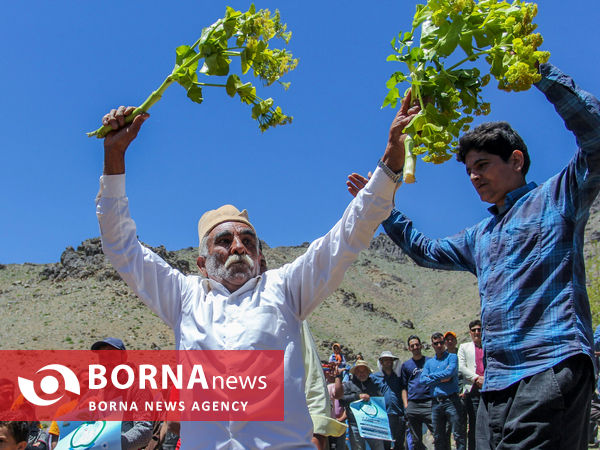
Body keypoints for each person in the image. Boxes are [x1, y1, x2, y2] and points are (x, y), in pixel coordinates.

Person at [95, 89, 417, 447]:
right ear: (202, 264)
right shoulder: (184, 298)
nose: (238, 247)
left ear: (261, 259)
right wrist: (114, 157)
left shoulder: (285, 289)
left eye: (248, 241)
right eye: (225, 241)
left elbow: (346, 237)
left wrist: (389, 161)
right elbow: (121, 247)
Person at [347, 63, 600, 449]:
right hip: (496, 387)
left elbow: (596, 137)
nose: (474, 177)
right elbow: (425, 250)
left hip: (550, 366)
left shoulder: (558, 196)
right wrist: (381, 203)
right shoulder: (481, 235)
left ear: (516, 160)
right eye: (468, 171)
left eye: (482, 165)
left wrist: (539, 72)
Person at [421, 333, 465, 450]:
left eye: (441, 342)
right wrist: (441, 379)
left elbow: (449, 373)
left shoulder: (452, 357)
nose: (439, 345)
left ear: (445, 343)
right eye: (436, 343)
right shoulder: (429, 363)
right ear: (432, 345)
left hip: (451, 400)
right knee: (438, 436)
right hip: (436, 403)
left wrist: (431, 377)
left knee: (458, 433)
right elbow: (423, 380)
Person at [340, 360, 385, 450]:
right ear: (355, 373)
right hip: (354, 425)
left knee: (378, 447)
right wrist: (357, 396)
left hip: (373, 424)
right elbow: (342, 400)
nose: (362, 374)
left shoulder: (374, 386)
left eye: (364, 371)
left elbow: (380, 402)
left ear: (368, 372)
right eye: (359, 372)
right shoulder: (348, 385)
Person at [399, 335, 433, 450]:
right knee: (415, 439)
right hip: (413, 403)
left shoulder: (430, 361)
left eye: (417, 345)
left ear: (421, 346)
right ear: (409, 348)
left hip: (429, 402)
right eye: (412, 346)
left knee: (438, 433)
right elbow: (404, 387)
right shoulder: (406, 365)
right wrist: (406, 405)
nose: (415, 347)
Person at [371, 351, 406, 449]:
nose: (388, 362)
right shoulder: (375, 377)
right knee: (385, 444)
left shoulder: (398, 377)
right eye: (385, 360)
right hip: (383, 416)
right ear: (381, 362)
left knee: (399, 443)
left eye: (390, 360)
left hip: (399, 414)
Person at [457, 320, 484, 450]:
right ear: (470, 332)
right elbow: (461, 367)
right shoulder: (464, 347)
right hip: (472, 389)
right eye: (474, 330)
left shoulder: (488, 346)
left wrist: (486, 379)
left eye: (479, 329)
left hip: (489, 388)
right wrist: (476, 378)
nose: (477, 332)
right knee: (474, 423)